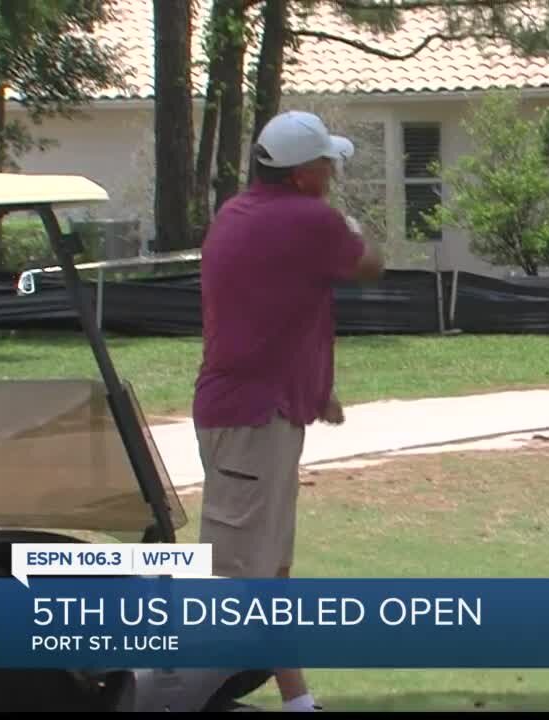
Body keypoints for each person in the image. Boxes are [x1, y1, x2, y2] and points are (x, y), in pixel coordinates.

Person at [192, 110, 384, 712]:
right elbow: (369, 265)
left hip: (253, 413)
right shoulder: (309, 219)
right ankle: (184, 694)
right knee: (237, 575)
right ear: (300, 172)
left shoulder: (236, 213)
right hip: (251, 418)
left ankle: (297, 699)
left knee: (268, 565)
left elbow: (272, 316)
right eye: (325, 162)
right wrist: (352, 228)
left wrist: (313, 391)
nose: (331, 171)